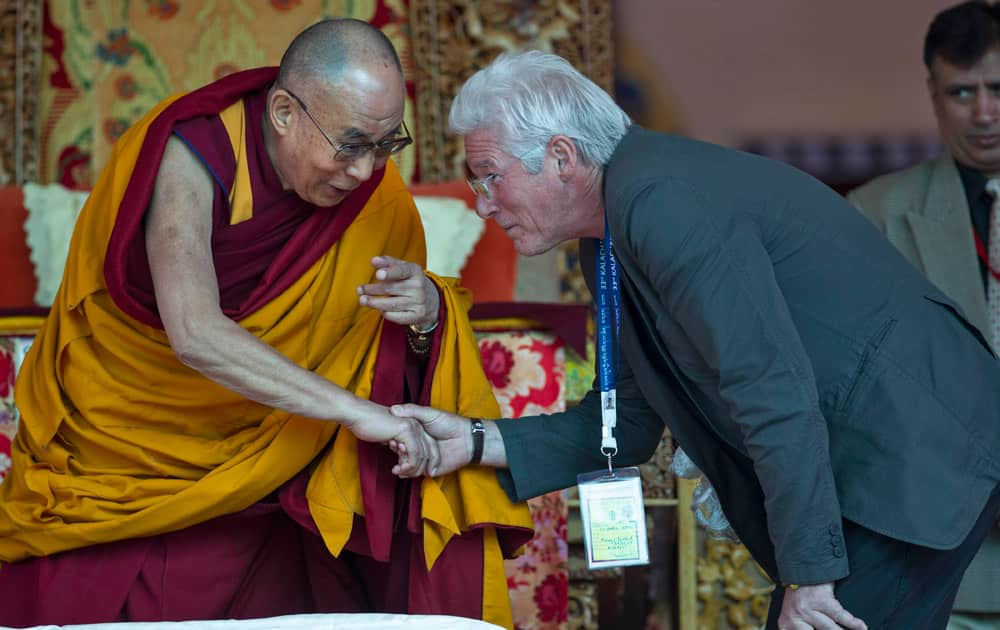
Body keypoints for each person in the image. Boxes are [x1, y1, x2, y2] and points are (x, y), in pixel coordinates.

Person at [391, 50, 1000, 630]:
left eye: (490, 178)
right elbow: (623, 422)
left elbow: (771, 389)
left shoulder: (664, 203)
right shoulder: (607, 233)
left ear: (560, 156)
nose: (482, 205)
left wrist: (810, 576)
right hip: (882, 461)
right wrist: (473, 441)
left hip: (911, 453)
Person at [0, 18, 531, 629]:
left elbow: (385, 351)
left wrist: (427, 313)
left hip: (269, 484)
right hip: (124, 465)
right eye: (352, 144)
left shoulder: (374, 200)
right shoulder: (188, 156)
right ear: (283, 111)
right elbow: (195, 333)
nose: (366, 171)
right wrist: (356, 412)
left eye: (387, 146)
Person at [847, 3, 1000, 628]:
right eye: (963, 92)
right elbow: (859, 394)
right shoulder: (876, 215)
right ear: (933, 94)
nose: (985, 113)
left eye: (999, 89)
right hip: (944, 564)